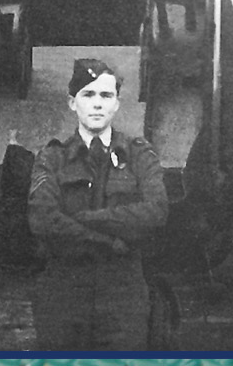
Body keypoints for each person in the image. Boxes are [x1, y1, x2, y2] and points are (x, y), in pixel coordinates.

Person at [27, 59, 167, 350]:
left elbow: (156, 211)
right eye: (87, 95)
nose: (97, 104)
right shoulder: (52, 158)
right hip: (64, 295)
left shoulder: (140, 155)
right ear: (72, 103)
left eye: (106, 96)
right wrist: (108, 240)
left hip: (123, 297)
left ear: (117, 104)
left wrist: (85, 218)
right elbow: (43, 219)